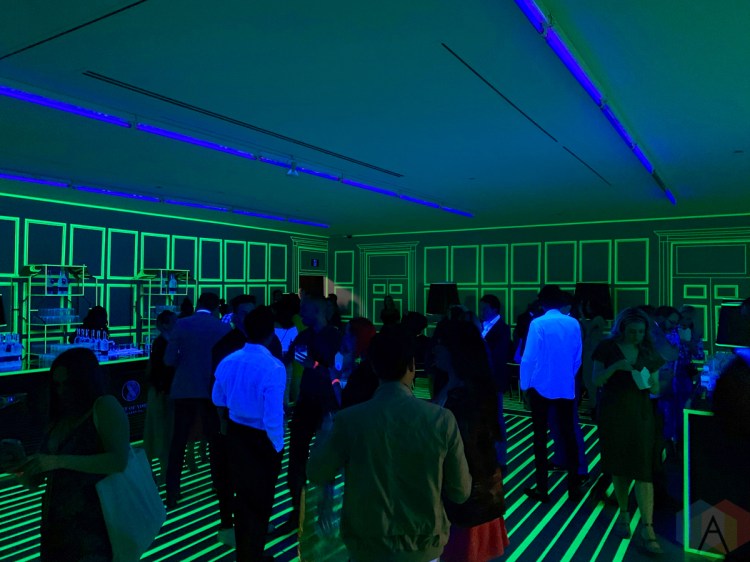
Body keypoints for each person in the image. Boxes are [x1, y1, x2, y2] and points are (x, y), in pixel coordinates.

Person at [308, 326, 472, 562]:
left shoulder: (349, 420)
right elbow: (460, 492)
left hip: (367, 550)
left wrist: (324, 433)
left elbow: (317, 472)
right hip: (423, 549)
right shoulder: (441, 420)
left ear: (374, 367)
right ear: (412, 366)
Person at [16, 348, 129, 561]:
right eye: (57, 385)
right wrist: (19, 466)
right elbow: (34, 480)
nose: (61, 391)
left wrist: (57, 461)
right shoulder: (59, 417)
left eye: (67, 384)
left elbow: (118, 461)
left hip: (95, 525)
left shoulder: (104, 406)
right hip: (56, 525)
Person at [431, 321, 509, 562]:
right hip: (468, 493)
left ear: (456, 349)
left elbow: (465, 453)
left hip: (465, 497)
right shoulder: (457, 386)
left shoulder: (466, 397)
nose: (435, 348)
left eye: (441, 343)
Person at [213, 306, 286, 562]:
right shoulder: (273, 367)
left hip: (235, 435)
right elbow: (273, 416)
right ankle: (254, 554)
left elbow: (217, 397)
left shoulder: (228, 361)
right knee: (262, 500)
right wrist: (278, 446)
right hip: (262, 439)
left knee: (242, 498)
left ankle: (246, 554)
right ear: (271, 333)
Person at [592, 307, 665, 554]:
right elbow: (595, 380)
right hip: (613, 412)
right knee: (619, 465)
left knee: (644, 469)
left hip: (641, 413)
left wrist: (649, 382)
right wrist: (615, 367)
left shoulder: (648, 350)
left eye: (641, 332)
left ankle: (648, 527)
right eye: (633, 331)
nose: (637, 336)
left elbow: (656, 388)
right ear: (622, 329)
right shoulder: (606, 347)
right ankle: (623, 514)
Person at [278, 296, 341, 534]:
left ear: (317, 311)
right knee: (296, 461)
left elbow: (340, 373)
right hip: (306, 403)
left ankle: (323, 513)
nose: (300, 313)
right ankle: (299, 512)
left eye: (304, 309)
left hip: (327, 406)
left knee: (325, 460)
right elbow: (286, 360)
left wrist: (313, 365)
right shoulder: (303, 336)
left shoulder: (334, 337)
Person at [520, 285, 588, 503]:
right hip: (565, 387)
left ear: (542, 303)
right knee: (569, 435)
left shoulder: (537, 323)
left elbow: (529, 358)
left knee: (540, 438)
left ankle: (542, 489)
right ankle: (573, 488)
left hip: (540, 387)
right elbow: (578, 357)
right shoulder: (573, 323)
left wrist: (524, 386)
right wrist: (568, 376)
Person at [163, 292, 231, 508]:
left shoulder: (182, 324)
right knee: (215, 441)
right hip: (212, 390)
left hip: (184, 389)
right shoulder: (223, 328)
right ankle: (218, 485)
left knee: (178, 441)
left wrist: (184, 365)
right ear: (216, 307)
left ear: (198, 303)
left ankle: (172, 491)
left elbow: (168, 359)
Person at [143, 309, 177, 483]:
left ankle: (155, 471)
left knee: (157, 432)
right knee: (162, 433)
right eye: (174, 321)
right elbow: (160, 369)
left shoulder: (162, 342)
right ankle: (162, 472)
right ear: (165, 325)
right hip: (162, 392)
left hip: (159, 391)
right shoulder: (163, 343)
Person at [479, 294, 511, 472]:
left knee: (497, 417)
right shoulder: (483, 326)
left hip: (494, 379)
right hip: (484, 380)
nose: (481, 311)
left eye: (484, 308)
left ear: (495, 309)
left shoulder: (502, 329)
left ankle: (501, 458)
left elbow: (497, 357)